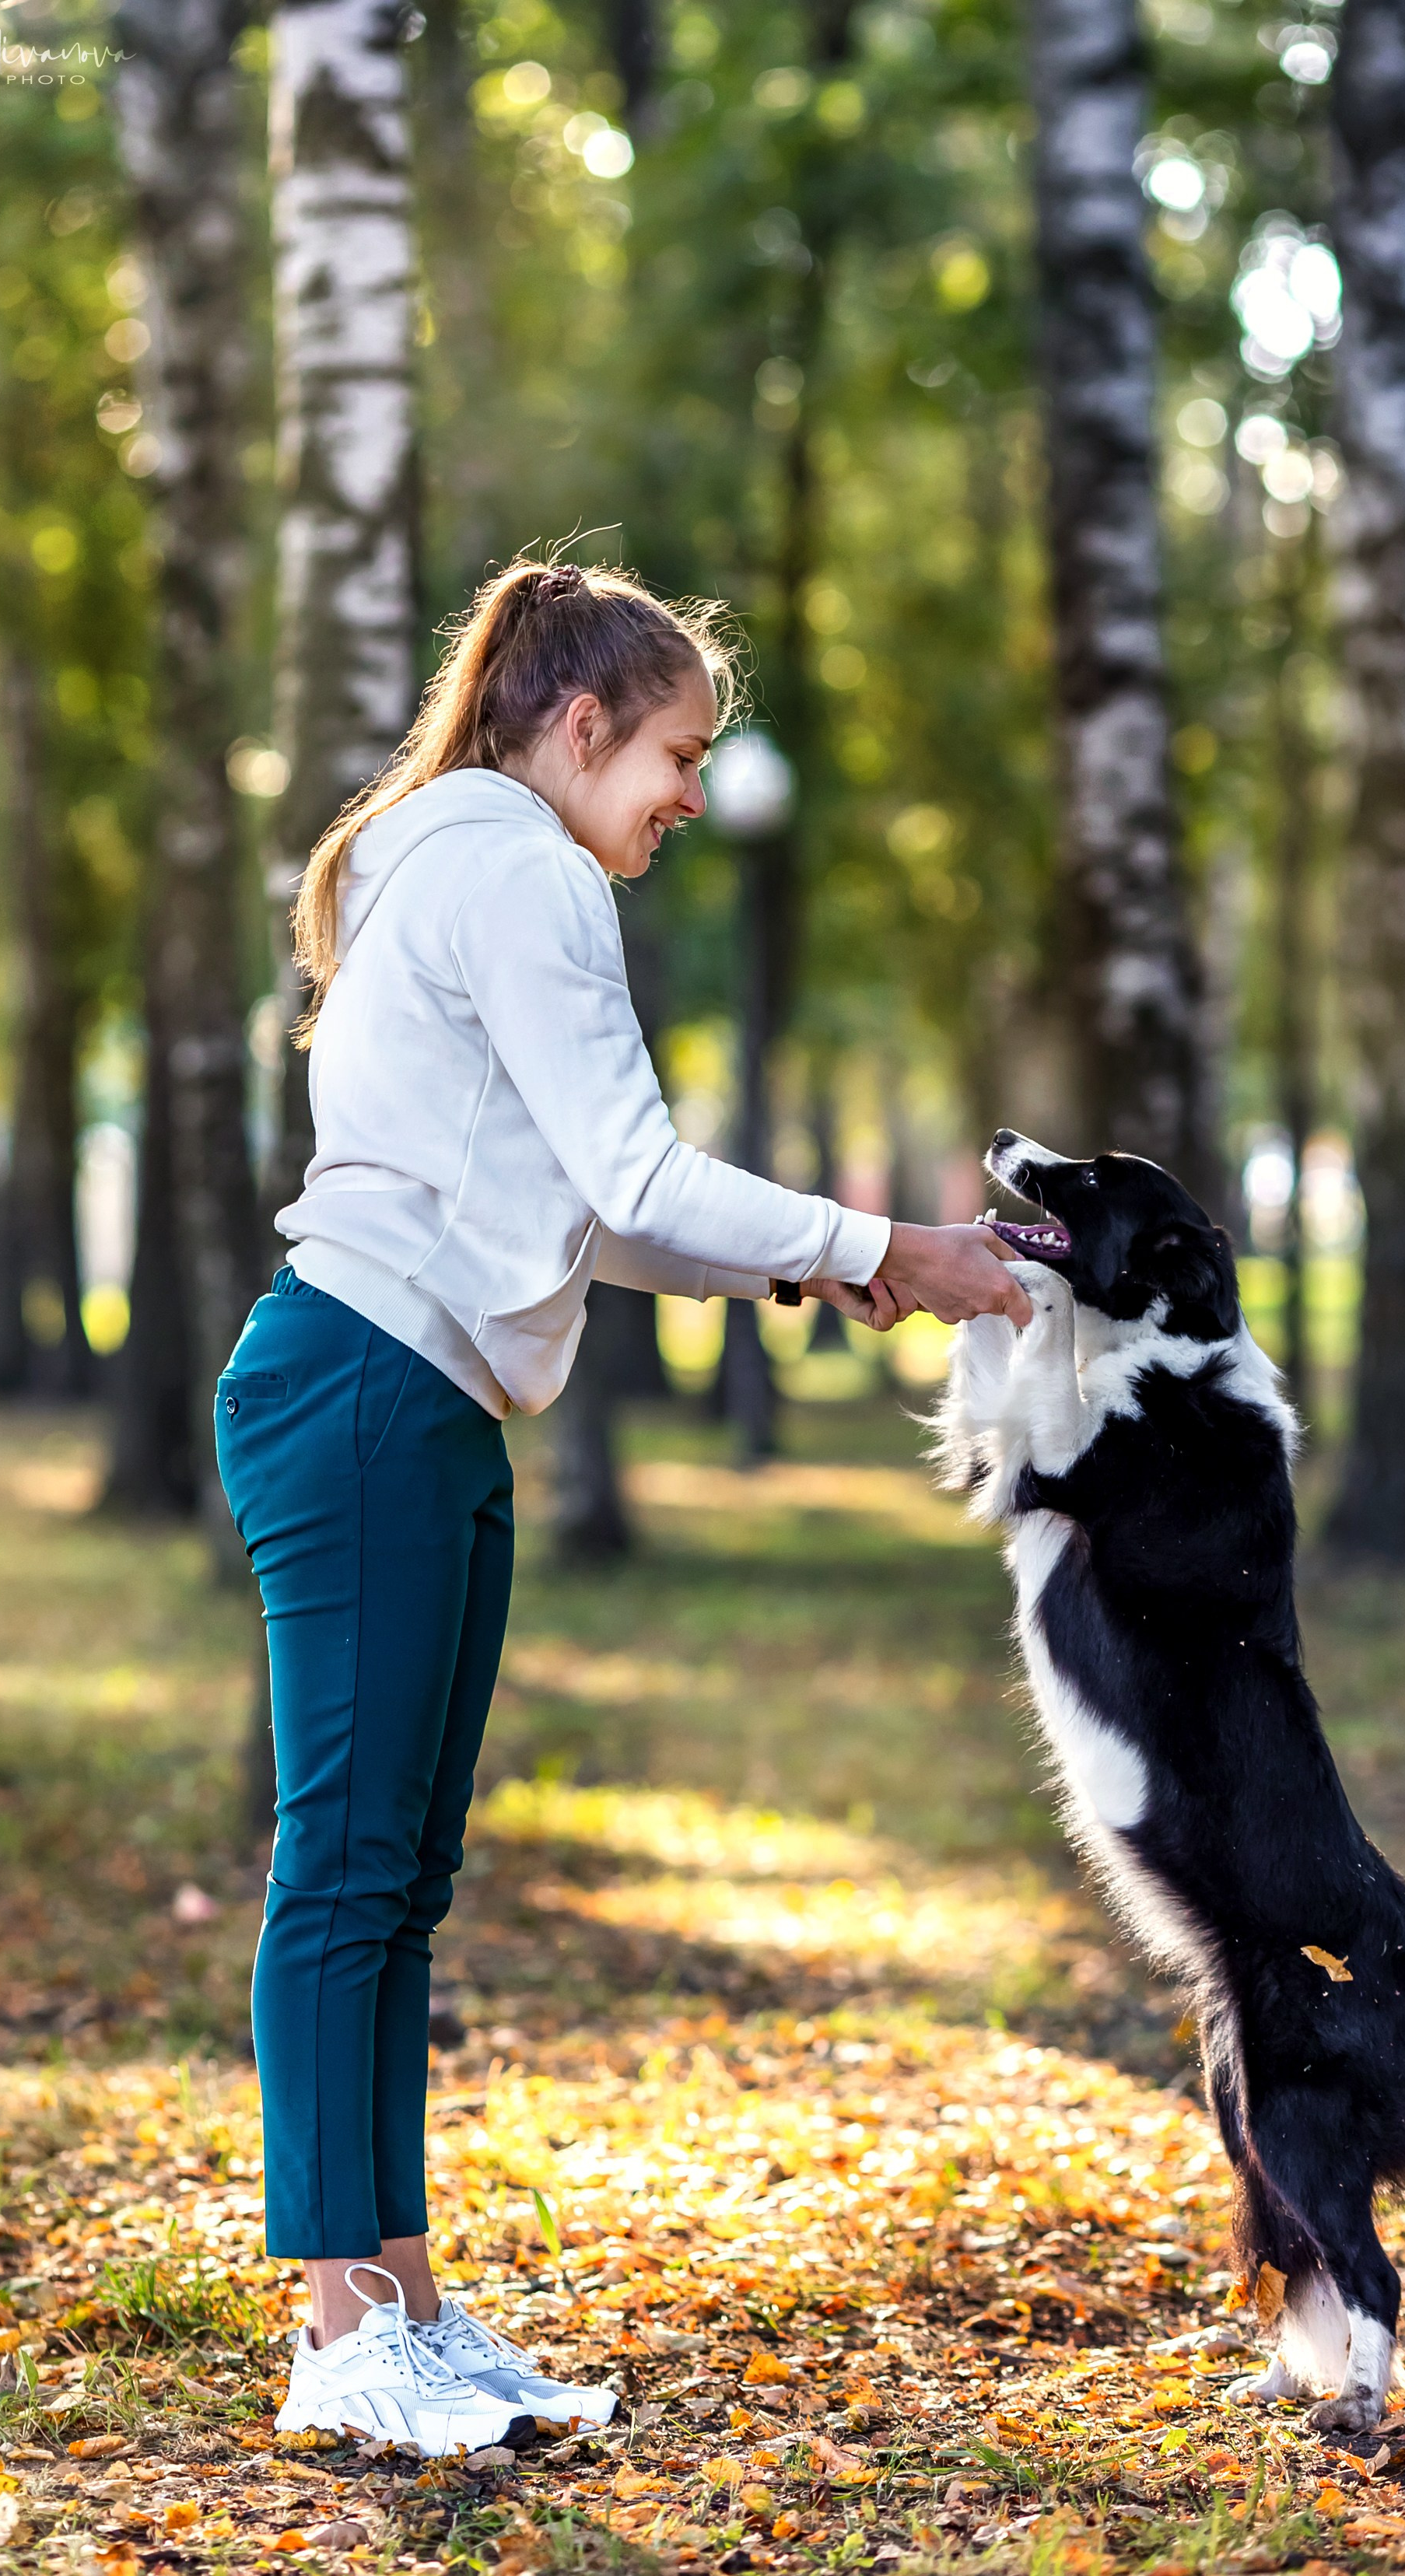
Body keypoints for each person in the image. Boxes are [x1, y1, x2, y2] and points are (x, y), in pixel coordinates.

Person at [216, 555, 1030, 2452]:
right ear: (578, 723)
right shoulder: (522, 866)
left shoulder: (455, 849)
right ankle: (339, 2330)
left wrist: (844, 1268)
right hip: (364, 1392)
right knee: (347, 1872)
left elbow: (579, 1207)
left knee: (400, 1877)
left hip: (405, 1396)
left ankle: (402, 2296)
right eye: (675, 750)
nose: (681, 793)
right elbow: (639, 1170)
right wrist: (886, 1236)